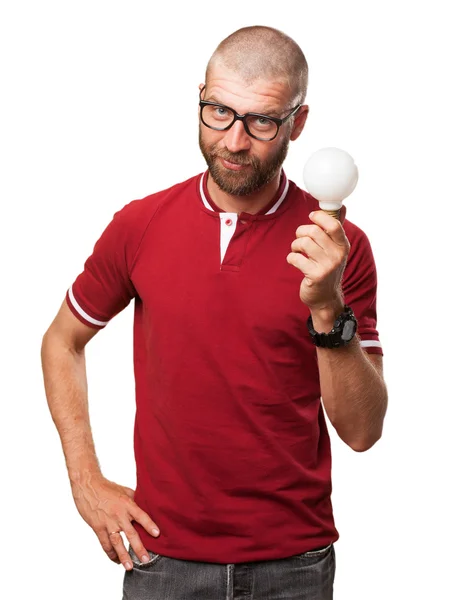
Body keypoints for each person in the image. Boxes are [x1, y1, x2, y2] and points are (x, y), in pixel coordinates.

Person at [41, 25, 388, 600]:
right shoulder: (140, 225)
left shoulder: (341, 249)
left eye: (262, 121)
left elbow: (362, 431)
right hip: (161, 557)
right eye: (218, 112)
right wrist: (85, 481)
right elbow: (62, 341)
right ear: (200, 97)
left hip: (293, 564)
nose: (233, 140)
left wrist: (328, 311)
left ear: (298, 124)